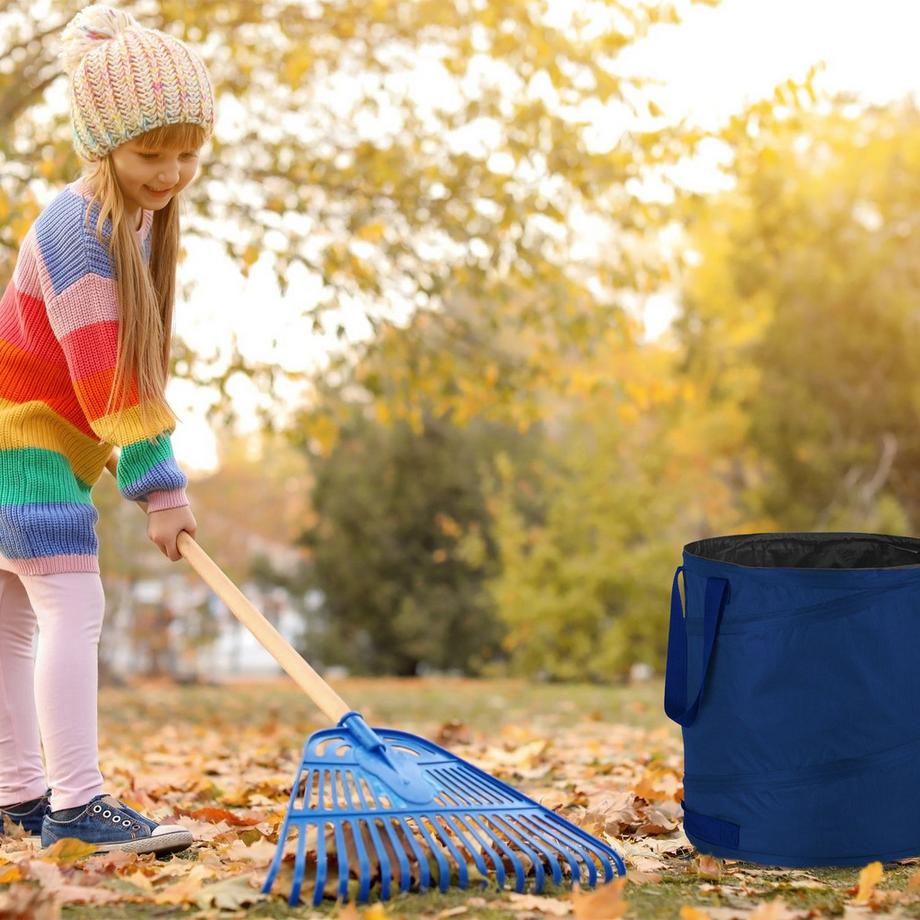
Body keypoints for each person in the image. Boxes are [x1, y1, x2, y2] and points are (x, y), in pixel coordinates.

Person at [0, 3, 215, 855]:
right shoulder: (80, 231)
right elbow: (110, 375)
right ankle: (76, 807)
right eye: (149, 153)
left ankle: (19, 794)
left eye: (187, 153)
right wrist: (160, 485)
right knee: (71, 604)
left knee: (16, 618)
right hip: (23, 442)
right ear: (103, 148)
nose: (170, 173)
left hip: (33, 438)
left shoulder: (128, 220)